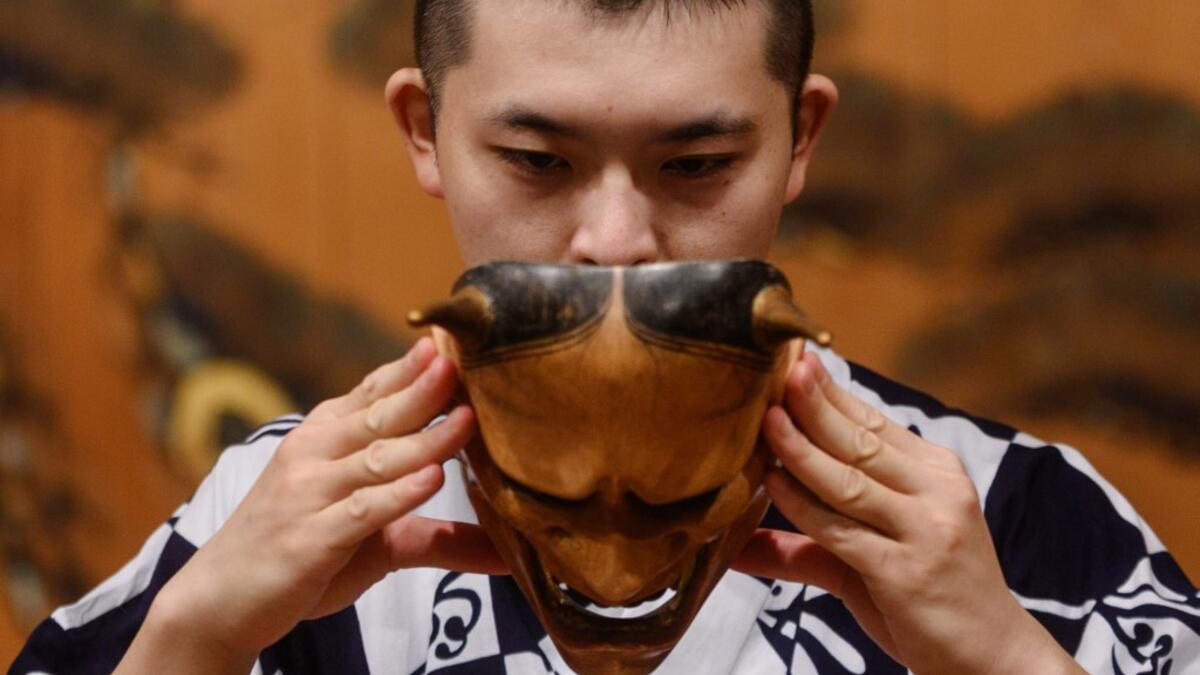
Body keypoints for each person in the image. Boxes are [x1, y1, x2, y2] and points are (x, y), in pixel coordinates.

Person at [13, 1, 1199, 673]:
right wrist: (193, 642)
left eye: (698, 164)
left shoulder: (1014, 520)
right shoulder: (264, 525)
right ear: (425, 132)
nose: (616, 241)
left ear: (801, 140)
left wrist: (1002, 656)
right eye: (538, 161)